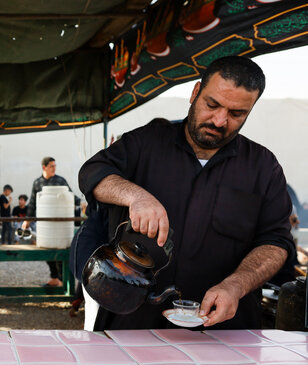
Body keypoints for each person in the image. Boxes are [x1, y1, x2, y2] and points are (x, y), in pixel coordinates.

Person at [78, 56, 294, 330]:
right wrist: (135, 195)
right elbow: (92, 173)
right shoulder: (147, 142)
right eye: (212, 104)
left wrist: (236, 286)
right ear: (195, 93)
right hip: (133, 322)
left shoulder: (263, 167)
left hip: (223, 329)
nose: (219, 120)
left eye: (236, 113)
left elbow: (276, 243)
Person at [23, 156, 80, 287]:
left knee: (60, 250)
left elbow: (70, 196)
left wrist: (81, 203)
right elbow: (32, 203)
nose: (54, 168)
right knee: (46, 249)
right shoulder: (37, 183)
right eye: (51, 166)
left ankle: (61, 279)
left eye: (55, 166)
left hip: (60, 222)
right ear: (44, 167)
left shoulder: (60, 180)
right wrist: (27, 220)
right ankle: (54, 277)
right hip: (45, 223)